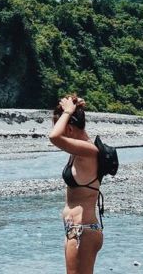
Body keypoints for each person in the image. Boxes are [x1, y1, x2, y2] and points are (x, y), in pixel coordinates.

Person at [49, 95, 103, 274]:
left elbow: (54, 136)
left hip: (82, 230)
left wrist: (67, 112)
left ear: (70, 129)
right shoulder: (80, 150)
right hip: (77, 229)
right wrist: (75, 107)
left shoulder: (88, 150)